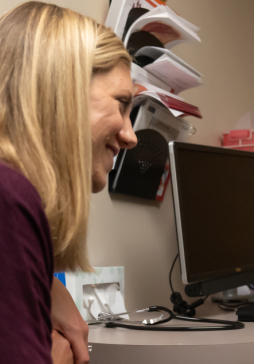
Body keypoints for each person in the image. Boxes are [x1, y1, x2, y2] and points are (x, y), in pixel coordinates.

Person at [0, 2, 137, 363]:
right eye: (122, 104)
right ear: (64, 91)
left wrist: (46, 286)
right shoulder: (10, 199)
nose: (130, 135)